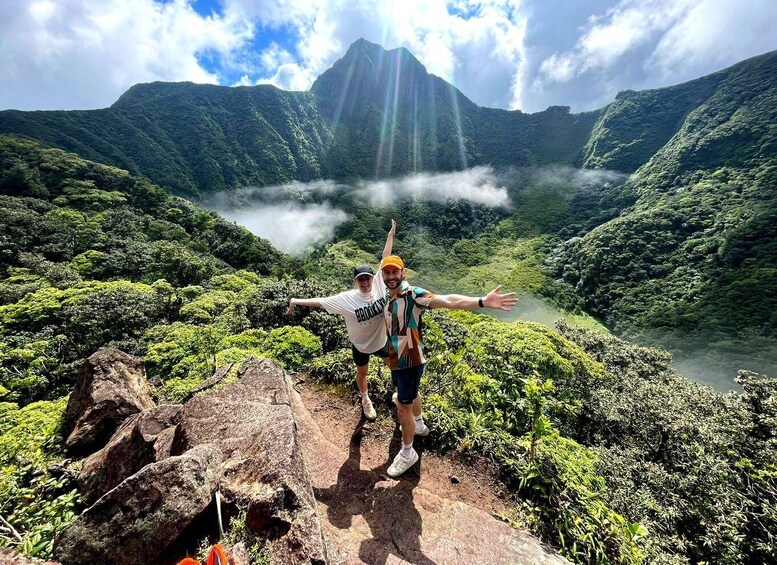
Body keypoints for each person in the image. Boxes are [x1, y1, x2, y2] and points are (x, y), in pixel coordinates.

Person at [380, 254, 517, 478]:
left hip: (410, 361)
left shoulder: (413, 295)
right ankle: (419, 424)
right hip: (397, 360)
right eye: (387, 272)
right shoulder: (388, 297)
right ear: (383, 275)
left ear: (403, 273)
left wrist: (481, 301)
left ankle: (407, 452)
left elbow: (448, 301)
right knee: (410, 394)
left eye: (395, 272)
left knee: (402, 406)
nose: (391, 276)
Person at [286, 220, 397, 420]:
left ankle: (399, 397)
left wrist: (391, 235)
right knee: (362, 373)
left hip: (381, 342)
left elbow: (385, 257)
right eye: (360, 279)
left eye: (367, 278)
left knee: (394, 368)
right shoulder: (346, 299)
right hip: (361, 345)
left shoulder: (380, 285)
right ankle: (365, 398)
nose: (365, 282)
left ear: (373, 278)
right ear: (355, 282)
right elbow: (320, 302)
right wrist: (295, 301)